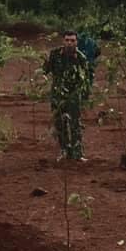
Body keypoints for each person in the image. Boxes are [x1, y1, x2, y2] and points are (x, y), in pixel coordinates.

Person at [43, 30, 91, 161]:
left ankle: (77, 154)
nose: (69, 43)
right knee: (60, 124)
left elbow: (86, 79)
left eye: (72, 40)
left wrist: (85, 97)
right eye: (67, 40)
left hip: (74, 96)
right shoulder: (55, 54)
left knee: (75, 124)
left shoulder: (81, 58)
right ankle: (64, 150)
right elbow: (45, 71)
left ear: (76, 42)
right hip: (58, 96)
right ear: (63, 41)